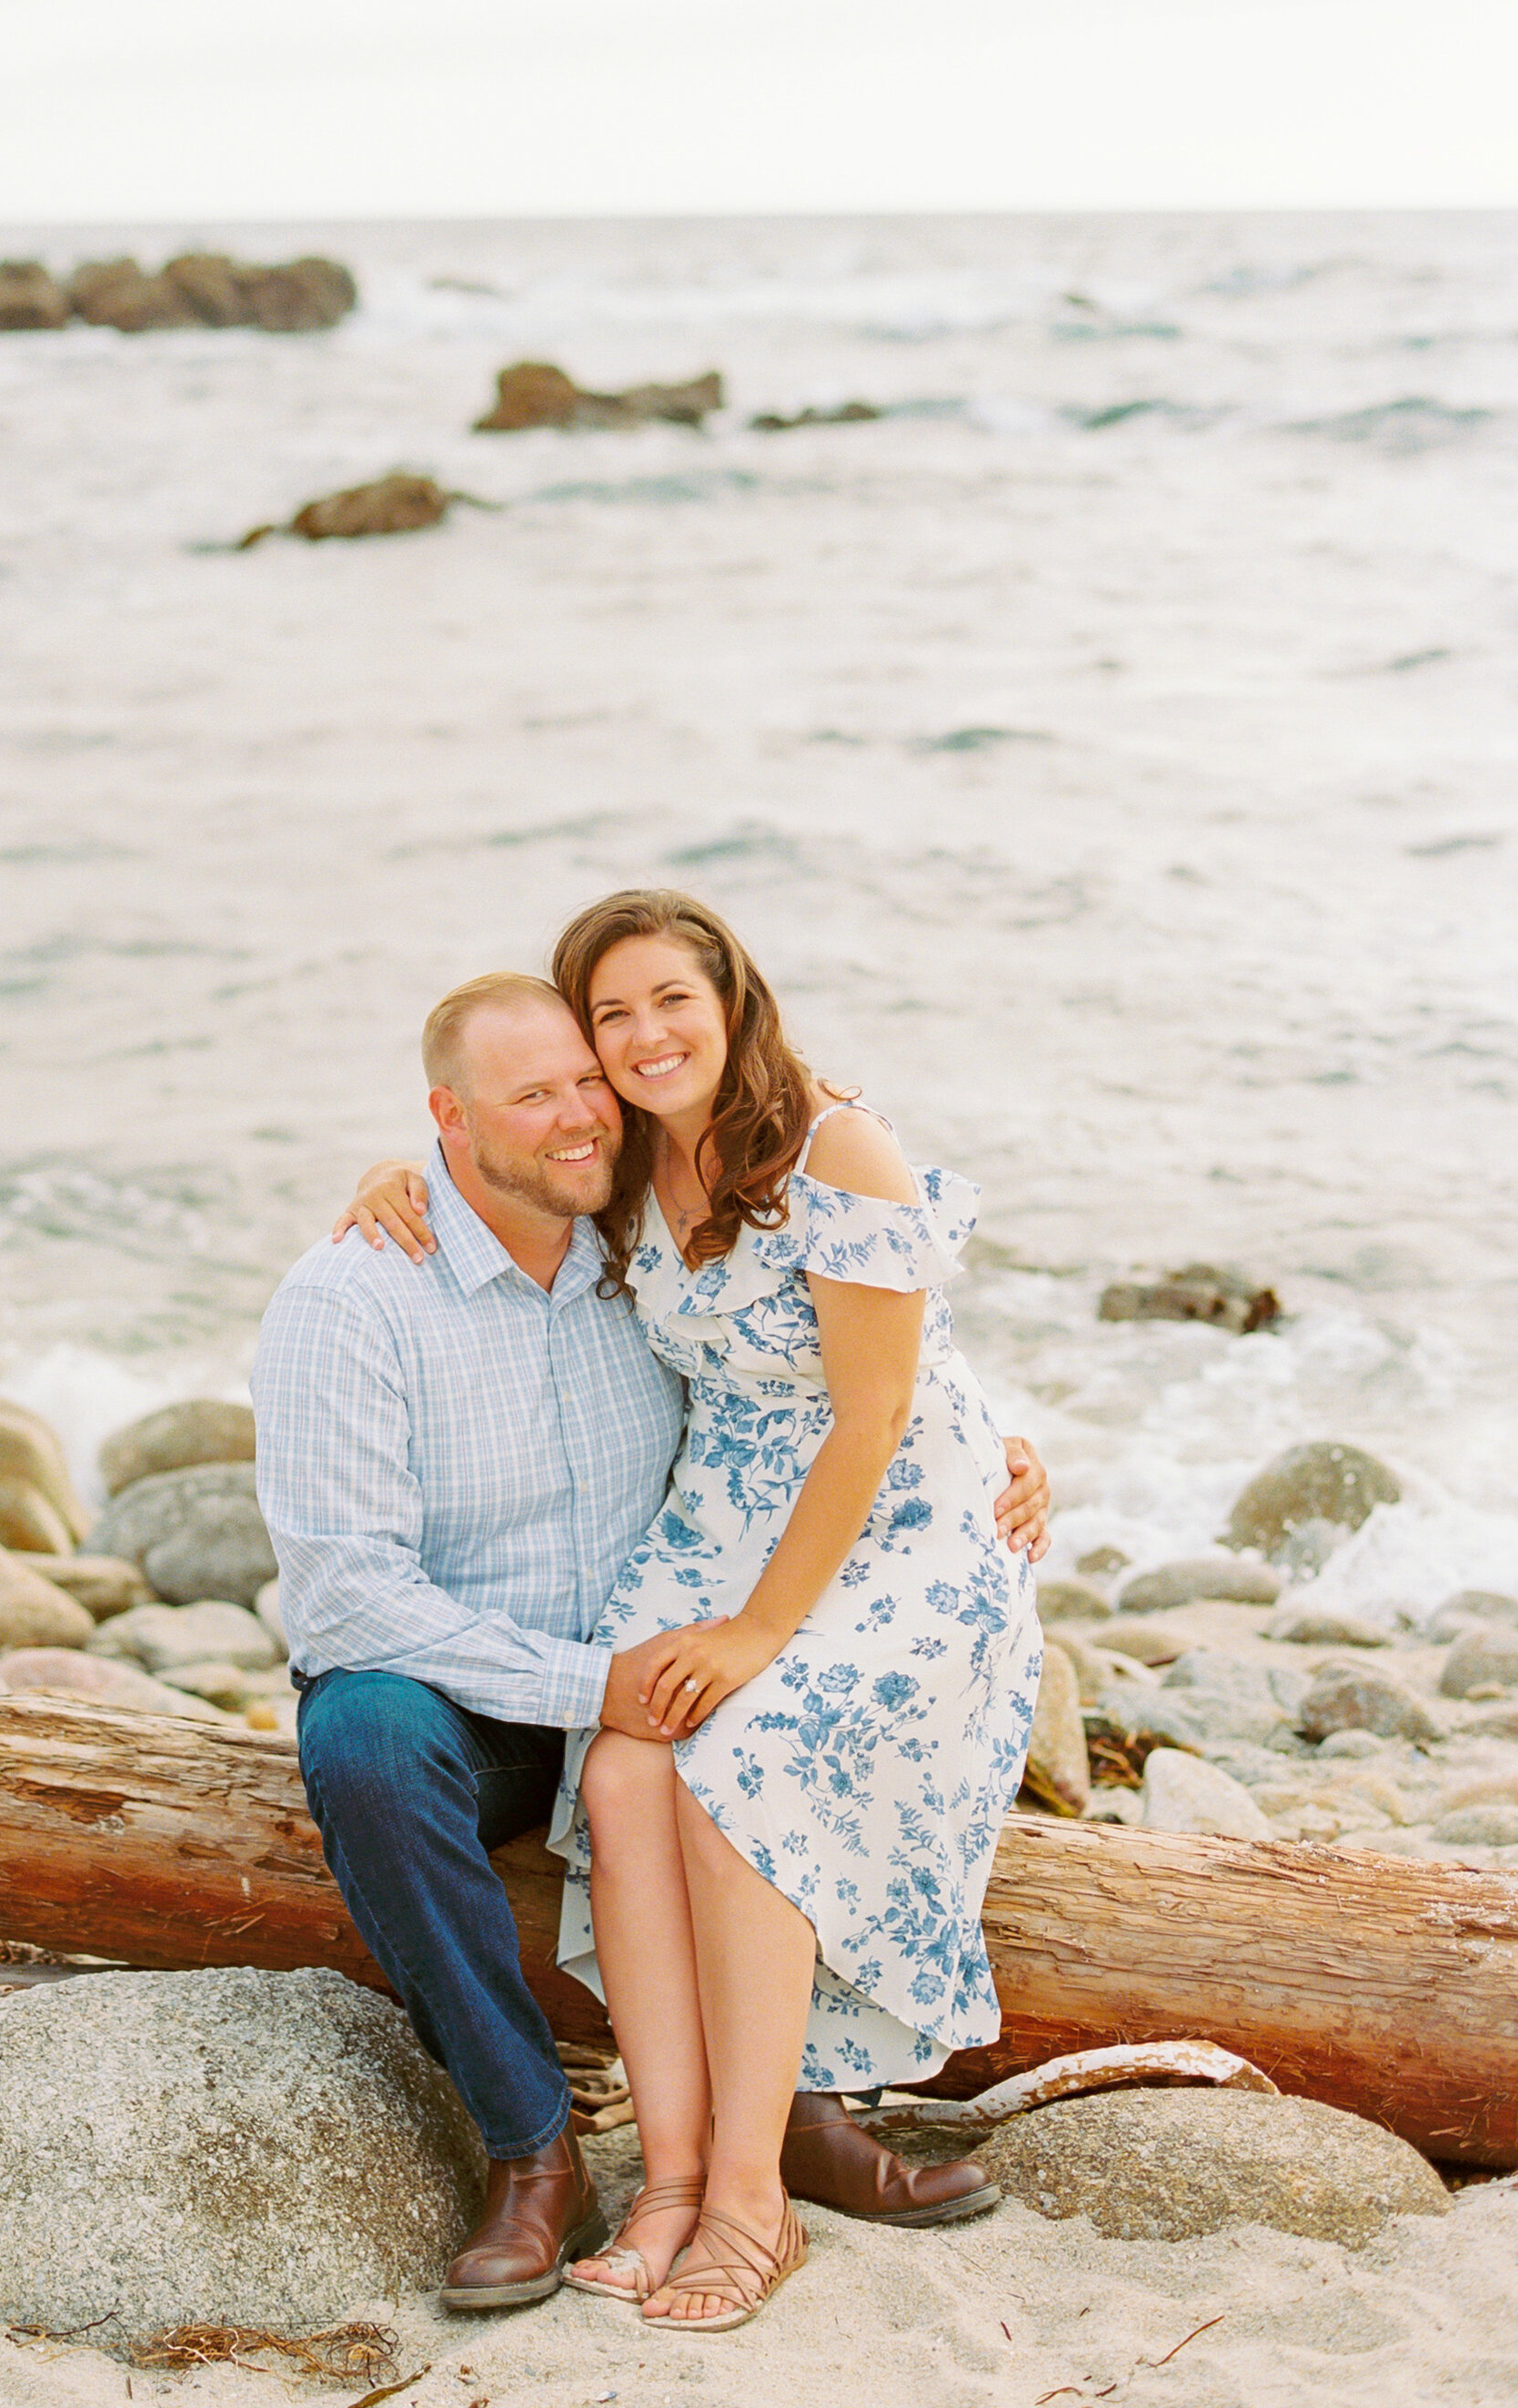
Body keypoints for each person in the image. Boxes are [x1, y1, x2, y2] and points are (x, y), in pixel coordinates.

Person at [250, 934, 1047, 2320]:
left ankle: (750, 2155)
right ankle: (538, 2149)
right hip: (487, 1683)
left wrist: (1000, 1450)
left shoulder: (633, 1213)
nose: (577, 1113)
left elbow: (847, 1361)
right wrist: (594, 1682)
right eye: (535, 1093)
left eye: (588, 1079)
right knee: (370, 1737)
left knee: (699, 1768)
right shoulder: (359, 1291)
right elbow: (345, 1598)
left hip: (696, 1620)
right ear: (446, 1124)